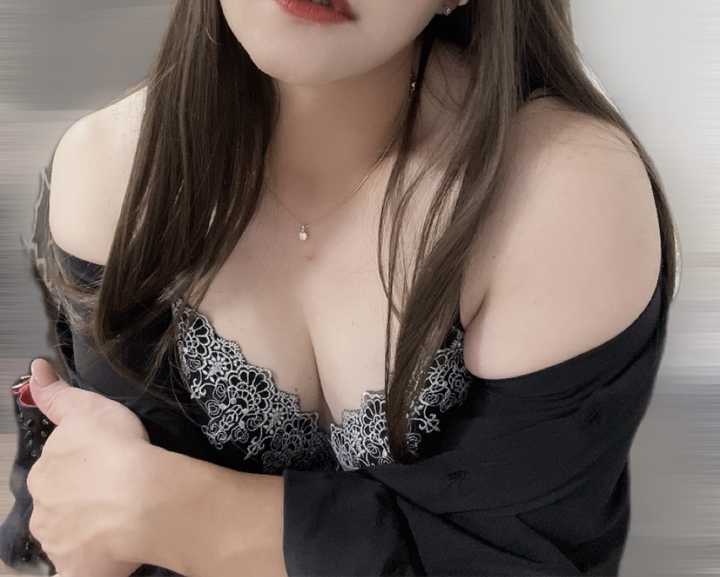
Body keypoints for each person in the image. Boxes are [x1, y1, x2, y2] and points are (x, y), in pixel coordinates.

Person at [1, 0, 679, 576]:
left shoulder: (560, 192)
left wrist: (174, 512)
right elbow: (79, 520)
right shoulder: (115, 176)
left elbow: (511, 560)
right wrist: (100, 512)